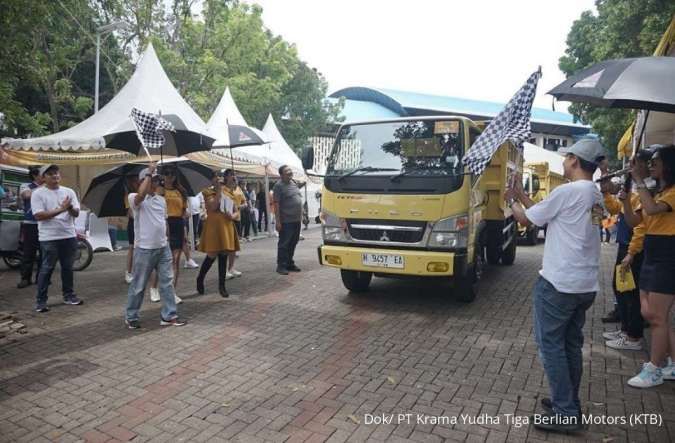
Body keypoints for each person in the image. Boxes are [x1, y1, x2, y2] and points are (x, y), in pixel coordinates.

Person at [505, 138, 606, 432]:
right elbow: (545, 216)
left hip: (559, 283)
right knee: (570, 345)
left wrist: (510, 199)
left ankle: (565, 412)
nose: (563, 161)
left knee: (551, 347)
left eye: (566, 157)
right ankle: (568, 402)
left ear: (575, 160)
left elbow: (526, 220)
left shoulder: (568, 191)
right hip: (584, 284)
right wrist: (523, 194)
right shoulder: (594, 195)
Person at [621, 145, 675, 388]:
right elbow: (635, 221)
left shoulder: (671, 193)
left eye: (656, 161)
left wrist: (638, 181)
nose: (651, 165)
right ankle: (672, 363)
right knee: (652, 314)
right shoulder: (658, 191)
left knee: (657, 317)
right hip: (652, 254)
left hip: (667, 255)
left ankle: (654, 368)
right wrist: (625, 203)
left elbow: (652, 209)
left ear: (669, 165)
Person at [601, 149, 653, 351]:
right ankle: (625, 329)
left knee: (630, 292)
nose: (630, 167)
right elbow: (617, 210)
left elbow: (640, 226)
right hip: (624, 244)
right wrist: (607, 192)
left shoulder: (646, 190)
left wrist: (632, 252)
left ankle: (634, 336)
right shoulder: (634, 189)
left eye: (635, 163)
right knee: (620, 287)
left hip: (634, 248)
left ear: (644, 166)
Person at [125, 164, 186, 329]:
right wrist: (149, 173)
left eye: (157, 180)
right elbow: (140, 195)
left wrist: (166, 238)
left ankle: (169, 315)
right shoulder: (134, 198)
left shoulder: (161, 200)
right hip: (144, 248)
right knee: (139, 285)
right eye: (153, 180)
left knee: (167, 282)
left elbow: (164, 221)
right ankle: (131, 316)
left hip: (162, 247)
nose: (157, 183)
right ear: (143, 181)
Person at [31, 164, 84, 312]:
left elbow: (76, 214)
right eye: (50, 174)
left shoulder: (69, 192)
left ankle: (69, 296)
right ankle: (41, 301)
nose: (55, 176)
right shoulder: (38, 193)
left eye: (56, 173)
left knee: (67, 268)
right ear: (43, 178)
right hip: (49, 237)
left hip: (68, 235)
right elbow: (39, 215)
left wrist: (69, 208)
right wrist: (61, 209)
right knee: (47, 268)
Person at [195, 171, 238, 297]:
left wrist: (233, 215)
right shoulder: (207, 192)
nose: (218, 179)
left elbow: (237, 212)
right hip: (214, 228)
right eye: (215, 177)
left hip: (226, 226)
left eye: (219, 176)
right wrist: (219, 191)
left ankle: (222, 286)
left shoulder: (228, 191)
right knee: (212, 255)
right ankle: (200, 278)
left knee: (224, 254)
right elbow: (213, 207)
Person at [273, 165, 303, 275]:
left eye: (290, 170)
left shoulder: (293, 182)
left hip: (296, 220)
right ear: (281, 175)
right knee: (284, 244)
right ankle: (281, 266)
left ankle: (289, 263)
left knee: (293, 242)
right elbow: (276, 204)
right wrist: (278, 221)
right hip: (286, 221)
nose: (290, 172)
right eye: (287, 171)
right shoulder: (278, 186)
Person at [17, 166, 43, 289]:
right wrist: (43, 188)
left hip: (45, 224)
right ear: (35, 175)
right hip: (31, 224)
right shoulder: (26, 186)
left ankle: (42, 278)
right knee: (29, 252)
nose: (44, 176)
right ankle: (25, 278)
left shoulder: (48, 188)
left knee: (45, 252)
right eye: (42, 174)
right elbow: (26, 195)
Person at [223, 172, 244, 278]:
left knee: (233, 246)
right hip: (225, 220)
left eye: (235, 175)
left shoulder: (235, 190)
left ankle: (231, 268)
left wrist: (236, 212)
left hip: (235, 218)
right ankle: (224, 271)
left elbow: (238, 205)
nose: (234, 177)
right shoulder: (223, 190)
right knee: (226, 246)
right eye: (232, 175)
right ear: (226, 177)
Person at [124, 174, 139, 284]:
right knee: (132, 248)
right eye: (134, 181)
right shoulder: (128, 196)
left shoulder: (142, 194)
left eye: (137, 180)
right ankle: (128, 272)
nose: (137, 182)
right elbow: (130, 213)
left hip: (142, 225)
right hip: (133, 224)